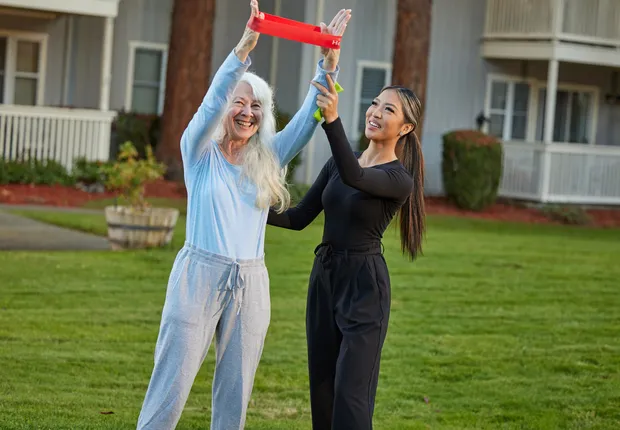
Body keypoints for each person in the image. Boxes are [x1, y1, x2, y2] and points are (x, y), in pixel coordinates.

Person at [136, 1, 351, 428]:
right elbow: (212, 100)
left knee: (236, 396)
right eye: (240, 103)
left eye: (256, 107)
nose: (247, 112)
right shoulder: (197, 151)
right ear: (224, 108)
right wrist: (243, 50)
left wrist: (330, 63)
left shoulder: (266, 158)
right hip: (198, 277)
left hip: (251, 283)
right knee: (171, 384)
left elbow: (308, 121)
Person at [267, 74, 426, 429]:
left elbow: (356, 176)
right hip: (324, 280)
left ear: (405, 128)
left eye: (389, 109)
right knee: (322, 391)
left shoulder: (398, 178)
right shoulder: (341, 162)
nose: (376, 112)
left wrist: (332, 120)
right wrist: (248, 205)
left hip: (364, 288)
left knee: (351, 398)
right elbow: (298, 218)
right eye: (374, 104)